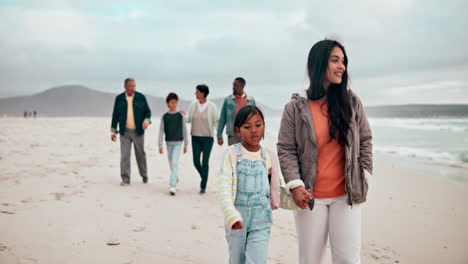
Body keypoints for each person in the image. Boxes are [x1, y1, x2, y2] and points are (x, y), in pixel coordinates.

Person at [277, 39, 373, 264]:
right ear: (319, 63)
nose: (342, 66)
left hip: (346, 195)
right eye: (335, 60)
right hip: (310, 197)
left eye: (343, 61)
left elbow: (366, 139)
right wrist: (295, 184)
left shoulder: (351, 102)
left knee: (348, 259)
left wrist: (365, 173)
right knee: (310, 260)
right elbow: (286, 148)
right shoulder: (295, 107)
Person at [216, 105, 281, 264]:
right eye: (247, 126)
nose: (254, 130)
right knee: (236, 260)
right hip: (237, 219)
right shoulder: (230, 155)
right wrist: (231, 214)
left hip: (261, 220)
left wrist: (298, 200)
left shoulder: (269, 157)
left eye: (258, 125)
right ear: (237, 130)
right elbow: (223, 187)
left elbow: (275, 191)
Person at [111, 77, 151, 186]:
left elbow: (148, 112)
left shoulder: (141, 97)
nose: (132, 88)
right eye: (130, 86)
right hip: (125, 132)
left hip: (138, 131)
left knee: (140, 154)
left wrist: (146, 121)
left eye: (134, 86)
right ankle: (125, 178)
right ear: (125, 86)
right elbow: (115, 116)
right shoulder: (119, 99)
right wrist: (113, 131)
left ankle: (144, 174)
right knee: (125, 155)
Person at [186, 84, 219, 194]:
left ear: (202, 93)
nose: (195, 93)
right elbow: (188, 119)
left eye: (197, 92)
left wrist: (219, 135)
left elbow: (216, 122)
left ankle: (203, 186)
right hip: (195, 137)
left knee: (205, 162)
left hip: (208, 139)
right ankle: (204, 176)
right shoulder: (193, 105)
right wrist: (180, 116)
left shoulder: (212, 106)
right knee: (196, 162)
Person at [158, 92, 188, 196]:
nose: (174, 104)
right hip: (168, 143)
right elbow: (161, 131)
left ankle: (172, 185)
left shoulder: (180, 116)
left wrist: (186, 145)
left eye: (175, 102)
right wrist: (160, 145)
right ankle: (175, 178)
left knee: (174, 162)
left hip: (178, 143)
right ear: (167, 103)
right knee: (171, 164)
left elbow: (185, 130)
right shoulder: (164, 116)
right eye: (172, 102)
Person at [217, 77, 256, 146]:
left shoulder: (251, 101)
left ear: (242, 86)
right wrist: (219, 135)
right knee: (233, 155)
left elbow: (255, 119)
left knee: (246, 156)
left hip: (247, 135)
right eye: (233, 85)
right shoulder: (228, 100)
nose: (233, 87)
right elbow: (222, 118)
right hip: (232, 135)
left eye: (236, 85)